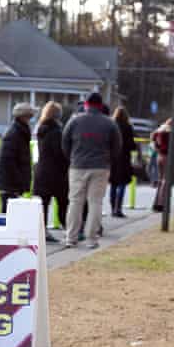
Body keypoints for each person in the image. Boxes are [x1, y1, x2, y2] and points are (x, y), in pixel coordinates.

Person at [62, 92, 121, 249]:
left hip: (78, 166)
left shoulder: (74, 121)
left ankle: (71, 237)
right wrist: (108, 160)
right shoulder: (109, 123)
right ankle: (91, 239)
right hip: (101, 166)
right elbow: (117, 146)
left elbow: (65, 143)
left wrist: (72, 158)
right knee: (95, 202)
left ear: (86, 105)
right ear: (101, 106)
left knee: (75, 201)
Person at [32, 101, 68, 243]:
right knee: (63, 203)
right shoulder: (57, 132)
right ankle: (68, 229)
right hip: (56, 173)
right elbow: (60, 153)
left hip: (41, 171)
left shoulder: (41, 129)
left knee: (43, 205)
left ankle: (43, 231)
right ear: (58, 115)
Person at [0, 102, 36, 211]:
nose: (30, 120)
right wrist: (19, 180)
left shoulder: (18, 131)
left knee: (10, 211)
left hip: (11, 181)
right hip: (11, 182)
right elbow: (8, 161)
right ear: (23, 117)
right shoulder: (16, 133)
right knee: (9, 213)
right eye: (29, 117)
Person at [109, 106, 137, 218]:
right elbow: (131, 144)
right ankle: (118, 208)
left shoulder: (111, 126)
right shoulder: (128, 127)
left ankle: (112, 208)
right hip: (124, 158)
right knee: (122, 184)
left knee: (113, 184)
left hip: (113, 158)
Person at [151, 118, 174, 212]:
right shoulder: (169, 132)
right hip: (166, 156)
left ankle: (156, 203)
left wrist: (158, 149)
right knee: (165, 181)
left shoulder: (159, 131)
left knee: (160, 180)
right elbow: (171, 146)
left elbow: (154, 142)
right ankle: (162, 204)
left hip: (159, 156)